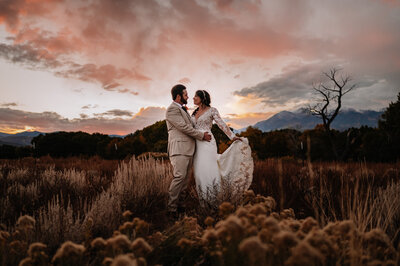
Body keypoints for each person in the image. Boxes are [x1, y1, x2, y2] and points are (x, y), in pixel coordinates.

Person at [191, 90, 253, 204]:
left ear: (202, 98)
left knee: (209, 169)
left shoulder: (212, 110)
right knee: (199, 171)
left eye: (195, 96)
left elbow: (221, 124)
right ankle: (204, 202)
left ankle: (215, 199)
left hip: (208, 143)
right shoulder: (194, 113)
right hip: (197, 144)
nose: (193, 98)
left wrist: (232, 137)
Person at [165, 84, 212, 218]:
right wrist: (201, 135)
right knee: (179, 177)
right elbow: (184, 127)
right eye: (185, 94)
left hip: (188, 149)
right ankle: (171, 209)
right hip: (179, 149)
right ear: (179, 96)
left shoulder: (183, 110)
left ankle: (181, 207)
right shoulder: (171, 110)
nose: (188, 97)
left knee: (185, 181)